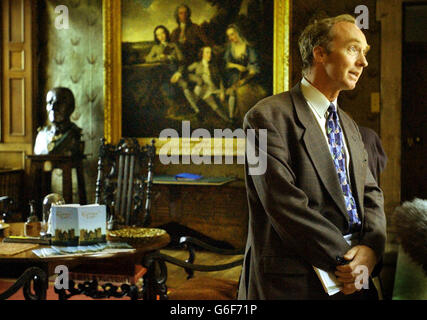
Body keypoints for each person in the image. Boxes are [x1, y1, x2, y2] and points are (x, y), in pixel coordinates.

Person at [238, 15, 387, 300]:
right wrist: (348, 262)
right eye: (354, 49)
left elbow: (371, 193)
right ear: (320, 53)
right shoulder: (264, 117)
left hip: (355, 280)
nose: (364, 63)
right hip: (293, 283)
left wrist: (371, 250)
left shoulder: (350, 126)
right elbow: (283, 204)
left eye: (365, 53)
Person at [145, 25, 198, 115]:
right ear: (156, 37)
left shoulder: (174, 45)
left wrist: (178, 73)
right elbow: (148, 59)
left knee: (184, 85)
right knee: (169, 92)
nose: (161, 36)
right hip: (164, 74)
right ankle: (174, 109)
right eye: (158, 35)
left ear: (166, 33)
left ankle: (195, 108)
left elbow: (183, 61)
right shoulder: (155, 48)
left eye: (162, 33)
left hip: (175, 72)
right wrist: (159, 57)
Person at [224, 24, 264, 121]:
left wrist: (242, 81)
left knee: (241, 92)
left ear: (238, 33)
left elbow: (254, 70)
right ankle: (232, 117)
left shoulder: (249, 48)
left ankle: (241, 119)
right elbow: (226, 64)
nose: (231, 38)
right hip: (233, 77)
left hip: (248, 78)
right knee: (232, 92)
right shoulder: (230, 48)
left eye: (232, 34)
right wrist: (237, 66)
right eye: (229, 36)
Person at [34, 87, 83, 157]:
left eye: (58, 103)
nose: (52, 107)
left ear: (71, 107)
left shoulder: (75, 134)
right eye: (49, 102)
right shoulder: (42, 134)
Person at [187, 46, 230, 123]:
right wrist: (196, 79)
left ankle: (230, 120)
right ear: (202, 54)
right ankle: (228, 121)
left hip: (214, 89)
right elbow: (186, 74)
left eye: (210, 52)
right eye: (207, 52)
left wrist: (222, 92)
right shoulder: (196, 65)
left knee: (227, 99)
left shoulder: (213, 66)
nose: (209, 54)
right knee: (215, 107)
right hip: (204, 91)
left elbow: (220, 79)